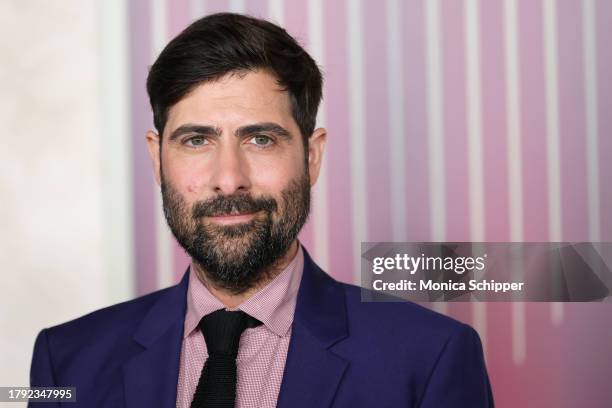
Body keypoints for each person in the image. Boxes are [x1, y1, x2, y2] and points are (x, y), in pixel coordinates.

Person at [29, 12, 494, 408]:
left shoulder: (430, 357)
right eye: (197, 140)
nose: (229, 178)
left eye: (261, 139)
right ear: (157, 159)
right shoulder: (65, 362)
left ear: (312, 157)